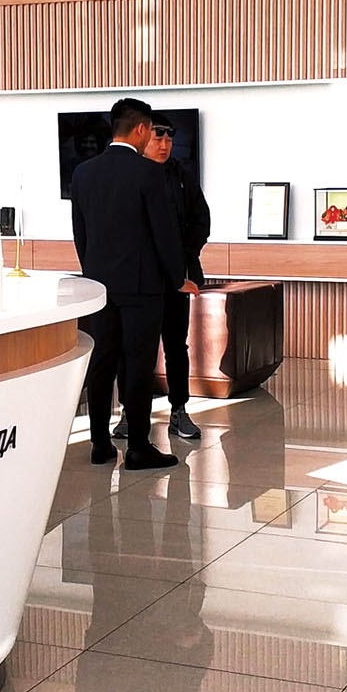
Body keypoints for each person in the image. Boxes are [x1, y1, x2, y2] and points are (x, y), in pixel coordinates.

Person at [71, 98, 195, 471]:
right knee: (138, 365)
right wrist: (178, 279)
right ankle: (139, 448)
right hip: (142, 288)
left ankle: (99, 444)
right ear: (140, 129)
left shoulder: (83, 173)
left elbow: (81, 234)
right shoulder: (148, 173)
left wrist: (94, 274)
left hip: (100, 286)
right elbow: (164, 235)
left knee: (102, 362)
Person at [115, 111, 210, 443]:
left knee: (176, 346)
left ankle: (179, 410)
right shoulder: (130, 175)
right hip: (139, 279)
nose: (165, 144)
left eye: (170, 138)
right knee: (133, 347)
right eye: (158, 136)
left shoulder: (182, 176)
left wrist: (183, 258)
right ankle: (129, 412)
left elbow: (201, 221)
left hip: (176, 278)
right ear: (143, 136)